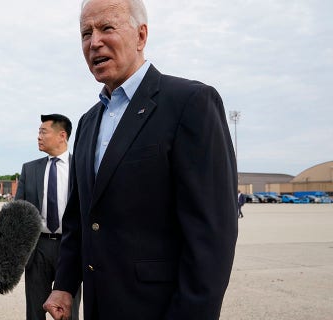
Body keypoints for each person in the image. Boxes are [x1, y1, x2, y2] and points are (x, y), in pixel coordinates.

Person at [43, 0, 238, 319]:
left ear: (141, 36)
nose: (94, 42)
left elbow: (211, 236)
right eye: (85, 33)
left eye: (107, 27)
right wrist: (64, 283)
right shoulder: (88, 122)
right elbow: (80, 217)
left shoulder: (190, 103)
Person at [15, 114, 81, 320]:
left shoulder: (80, 166)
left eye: (43, 132)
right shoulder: (30, 169)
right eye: (38, 132)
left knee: (67, 311)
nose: (38, 137)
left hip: (70, 247)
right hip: (38, 248)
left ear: (62, 135)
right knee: (35, 310)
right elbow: (19, 213)